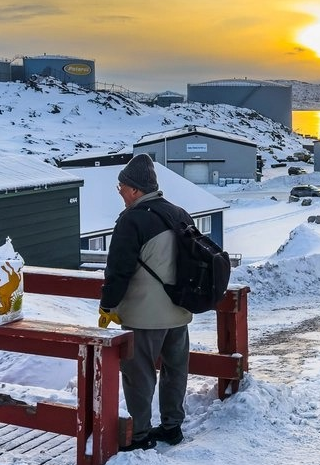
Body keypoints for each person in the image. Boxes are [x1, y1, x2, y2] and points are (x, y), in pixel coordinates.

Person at [99, 154, 193, 451]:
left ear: (136, 189)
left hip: (144, 316)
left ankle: (138, 435)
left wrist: (107, 306)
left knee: (138, 376)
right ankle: (171, 427)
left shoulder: (131, 220)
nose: (119, 192)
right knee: (174, 371)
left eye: (121, 186)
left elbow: (118, 270)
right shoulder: (179, 213)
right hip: (179, 311)